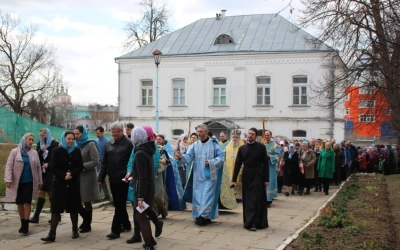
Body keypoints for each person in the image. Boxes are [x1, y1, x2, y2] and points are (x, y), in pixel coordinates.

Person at [175, 124, 225, 226]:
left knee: (207, 196)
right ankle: (200, 216)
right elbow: (189, 156)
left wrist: (211, 162)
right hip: (198, 176)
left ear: (206, 132)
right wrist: (181, 157)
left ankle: (203, 216)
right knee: (198, 197)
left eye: (201, 131)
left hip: (210, 176)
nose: (199, 133)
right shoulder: (195, 145)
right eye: (198, 131)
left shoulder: (214, 145)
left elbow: (221, 158)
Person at [41, 131, 84, 242]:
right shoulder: (57, 151)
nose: (70, 141)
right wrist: (64, 175)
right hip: (59, 183)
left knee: (73, 207)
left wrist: (72, 174)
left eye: (72, 139)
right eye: (68, 139)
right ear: (64, 139)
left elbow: (80, 166)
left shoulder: (77, 151)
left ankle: (75, 229)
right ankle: (52, 233)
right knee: (56, 209)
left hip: (73, 183)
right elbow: (54, 167)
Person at [126, 127, 163, 245]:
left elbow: (143, 177)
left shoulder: (140, 153)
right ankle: (150, 240)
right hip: (146, 189)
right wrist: (132, 172)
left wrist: (141, 198)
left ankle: (149, 244)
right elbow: (143, 171)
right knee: (141, 215)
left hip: (142, 191)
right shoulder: (145, 150)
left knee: (141, 217)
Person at [98, 122, 133, 239]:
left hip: (124, 178)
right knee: (118, 203)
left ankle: (115, 230)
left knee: (119, 205)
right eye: (112, 134)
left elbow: (132, 161)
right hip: (112, 178)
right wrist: (101, 177)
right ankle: (127, 224)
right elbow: (104, 163)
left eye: (116, 133)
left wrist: (130, 175)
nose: (114, 136)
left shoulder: (129, 144)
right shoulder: (109, 144)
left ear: (121, 132)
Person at [231, 128, 269, 231]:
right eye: (249, 133)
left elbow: (265, 163)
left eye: (252, 134)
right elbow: (238, 164)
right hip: (247, 175)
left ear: (256, 136)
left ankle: (254, 223)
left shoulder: (261, 148)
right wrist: (233, 180)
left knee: (255, 198)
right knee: (248, 199)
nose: (250, 135)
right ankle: (248, 221)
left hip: (258, 174)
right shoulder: (242, 148)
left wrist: (266, 179)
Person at [5, 133, 42, 235]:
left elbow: (38, 168)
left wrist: (39, 181)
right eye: (29, 139)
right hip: (18, 183)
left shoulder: (34, 153)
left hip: (30, 182)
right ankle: (22, 222)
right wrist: (8, 180)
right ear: (24, 140)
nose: (31, 142)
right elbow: (9, 166)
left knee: (28, 202)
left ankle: (26, 225)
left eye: (32, 140)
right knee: (20, 203)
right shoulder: (14, 152)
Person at [74, 125, 100, 233]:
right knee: (76, 201)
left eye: (78, 134)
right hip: (78, 177)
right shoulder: (76, 145)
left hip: (88, 176)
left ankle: (87, 224)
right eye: (75, 134)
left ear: (83, 133)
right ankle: (86, 220)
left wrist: (82, 166)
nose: (76, 136)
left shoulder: (91, 144)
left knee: (87, 201)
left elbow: (95, 161)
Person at [30, 128, 59, 224]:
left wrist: (49, 164)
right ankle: (36, 216)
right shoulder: (39, 144)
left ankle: (56, 214)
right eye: (41, 136)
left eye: (43, 135)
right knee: (41, 192)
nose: (42, 137)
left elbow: (56, 159)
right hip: (43, 173)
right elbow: (36, 157)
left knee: (51, 194)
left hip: (51, 172)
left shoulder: (54, 144)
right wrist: (41, 151)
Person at [225, 130, 245, 201]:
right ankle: (231, 195)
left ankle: (239, 196)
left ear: (239, 138)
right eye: (233, 137)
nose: (235, 139)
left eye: (236, 137)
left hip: (240, 169)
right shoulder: (227, 148)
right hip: (229, 169)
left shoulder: (243, 147)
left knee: (239, 180)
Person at [263, 130, 281, 207]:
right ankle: (263, 199)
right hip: (263, 166)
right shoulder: (262, 145)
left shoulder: (275, 145)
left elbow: (278, 156)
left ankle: (268, 200)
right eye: (265, 135)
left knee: (270, 182)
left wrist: (269, 156)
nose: (266, 137)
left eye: (268, 135)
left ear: (271, 136)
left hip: (270, 166)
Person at [95, 126, 110, 200]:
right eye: (96, 133)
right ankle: (106, 194)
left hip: (103, 163)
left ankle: (98, 196)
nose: (97, 135)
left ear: (102, 132)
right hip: (97, 162)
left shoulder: (107, 141)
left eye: (98, 133)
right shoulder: (96, 141)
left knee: (99, 179)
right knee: (101, 179)